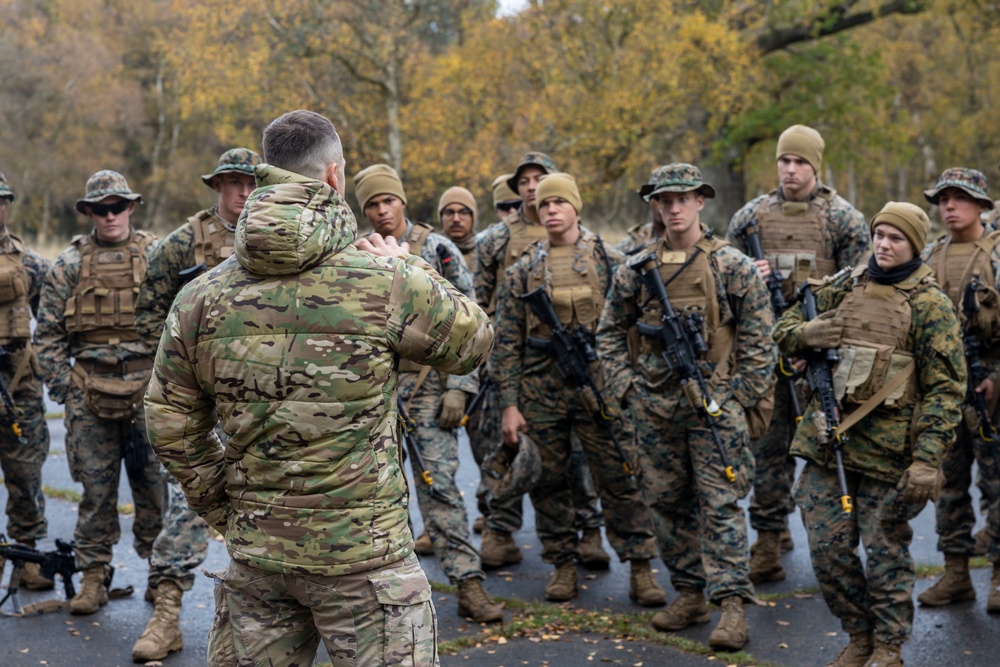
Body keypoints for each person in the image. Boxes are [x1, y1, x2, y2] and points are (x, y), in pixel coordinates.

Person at [145, 109, 494, 665]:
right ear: (334, 177)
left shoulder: (202, 295)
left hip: (258, 559)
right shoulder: (387, 278)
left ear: (263, 179)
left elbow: (168, 421)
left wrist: (229, 511)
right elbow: (473, 344)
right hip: (367, 563)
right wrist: (414, 269)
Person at [774, 202, 965, 667]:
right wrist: (808, 334)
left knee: (885, 556)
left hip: (891, 454)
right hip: (830, 443)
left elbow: (945, 390)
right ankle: (859, 635)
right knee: (826, 550)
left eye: (895, 238)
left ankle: (887, 647)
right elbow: (784, 327)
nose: (882, 244)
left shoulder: (930, 305)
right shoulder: (846, 283)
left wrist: (927, 459)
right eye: (878, 234)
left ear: (914, 245)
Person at [597, 164, 775, 651]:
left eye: (683, 199)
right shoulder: (635, 268)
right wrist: (628, 390)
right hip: (654, 407)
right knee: (666, 505)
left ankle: (732, 605)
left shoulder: (731, 265)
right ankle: (691, 594)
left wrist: (735, 396)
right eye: (664, 200)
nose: (673, 208)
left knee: (720, 505)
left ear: (701, 202)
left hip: (716, 408)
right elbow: (610, 333)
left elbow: (762, 341)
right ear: (655, 205)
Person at [492, 171, 665, 606]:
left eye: (559, 203)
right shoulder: (524, 270)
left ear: (575, 207)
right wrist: (509, 406)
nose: (550, 210)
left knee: (621, 475)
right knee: (548, 483)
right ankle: (563, 564)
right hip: (541, 388)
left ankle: (641, 567)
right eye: (544, 204)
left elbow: (634, 327)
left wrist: (630, 383)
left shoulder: (611, 260)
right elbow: (507, 342)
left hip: (601, 386)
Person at [352, 164, 503, 622]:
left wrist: (458, 387)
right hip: (375, 394)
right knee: (376, 496)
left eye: (388, 201)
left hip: (425, 390)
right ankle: (387, 597)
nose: (381, 211)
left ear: (402, 201)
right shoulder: (356, 252)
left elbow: (468, 317)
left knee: (441, 489)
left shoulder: (437, 248)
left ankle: (468, 585)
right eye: (373, 205)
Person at [130, 148, 261, 661]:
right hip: (203, 406)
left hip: (262, 405)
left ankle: (262, 625)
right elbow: (149, 316)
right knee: (188, 506)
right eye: (232, 183)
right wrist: (175, 377)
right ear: (217, 188)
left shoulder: (281, 237)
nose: (242, 193)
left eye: (251, 182)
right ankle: (166, 617)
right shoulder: (181, 243)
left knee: (272, 512)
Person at [726, 124, 870, 584]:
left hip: (822, 358)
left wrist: (823, 345)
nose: (790, 170)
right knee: (767, 451)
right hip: (765, 355)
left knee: (833, 450)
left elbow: (863, 292)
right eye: (784, 161)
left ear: (816, 167)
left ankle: (840, 545)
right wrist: (746, 272)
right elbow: (722, 282)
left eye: (800, 162)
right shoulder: (749, 218)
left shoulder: (843, 219)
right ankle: (767, 541)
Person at [35, 170, 166, 615]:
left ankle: (160, 576)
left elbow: (184, 321)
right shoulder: (69, 265)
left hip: (148, 391)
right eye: (100, 209)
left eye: (117, 206)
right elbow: (47, 335)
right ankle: (93, 578)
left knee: (153, 490)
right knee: (95, 492)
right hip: (89, 393)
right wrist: (65, 389)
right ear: (89, 212)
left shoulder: (157, 257)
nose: (110, 216)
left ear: (131, 207)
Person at [476, 153, 608, 570]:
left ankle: (592, 533)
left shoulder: (598, 251)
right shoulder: (500, 241)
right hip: (529, 369)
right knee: (534, 465)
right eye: (526, 182)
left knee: (589, 463)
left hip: (586, 373)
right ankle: (506, 531)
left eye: (543, 182)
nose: (535, 190)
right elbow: (483, 304)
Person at [917, 168, 1000, 613]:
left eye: (959, 197)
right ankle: (955, 574)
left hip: (991, 388)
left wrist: (997, 378)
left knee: (997, 485)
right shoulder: (930, 256)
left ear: (982, 205)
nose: (949, 205)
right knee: (947, 485)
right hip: (944, 390)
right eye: (943, 198)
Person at [0, 172, 53, 590]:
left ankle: (27, 558)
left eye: (1, 200)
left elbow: (53, 321)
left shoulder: (30, 264)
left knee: (26, 476)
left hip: (20, 390)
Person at [615, 166, 667, 255]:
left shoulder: (697, 243)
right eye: (659, 198)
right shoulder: (631, 245)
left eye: (681, 199)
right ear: (649, 199)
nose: (671, 207)